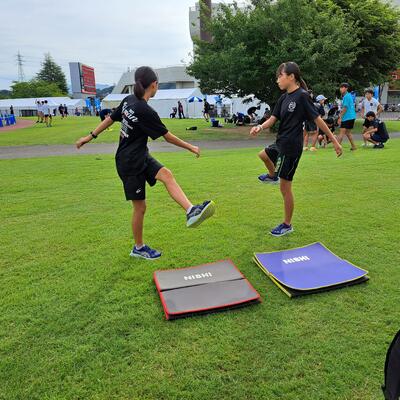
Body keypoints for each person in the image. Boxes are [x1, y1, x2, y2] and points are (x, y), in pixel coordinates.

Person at [75, 66, 215, 259]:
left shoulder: (129, 100)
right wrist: (191, 147)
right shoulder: (144, 110)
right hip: (129, 163)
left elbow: (110, 119)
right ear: (154, 85)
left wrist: (89, 137)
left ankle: (191, 211)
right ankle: (138, 248)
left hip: (139, 155)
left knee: (166, 175)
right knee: (140, 208)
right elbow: (167, 137)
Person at [250, 62, 342, 237]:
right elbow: (273, 119)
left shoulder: (302, 96)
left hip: (292, 147)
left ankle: (287, 225)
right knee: (263, 154)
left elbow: (318, 120)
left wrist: (334, 141)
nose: (277, 80)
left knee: (285, 189)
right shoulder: (283, 98)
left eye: (280, 76)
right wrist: (259, 127)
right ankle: (273, 175)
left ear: (291, 77)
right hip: (281, 142)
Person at [337, 83, 357, 151]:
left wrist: (340, 117)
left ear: (346, 88)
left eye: (342, 87)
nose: (340, 89)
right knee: (348, 133)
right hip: (352, 117)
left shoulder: (346, 96)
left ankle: (337, 147)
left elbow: (345, 108)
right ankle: (353, 146)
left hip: (347, 117)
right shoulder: (349, 95)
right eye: (340, 87)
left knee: (341, 132)